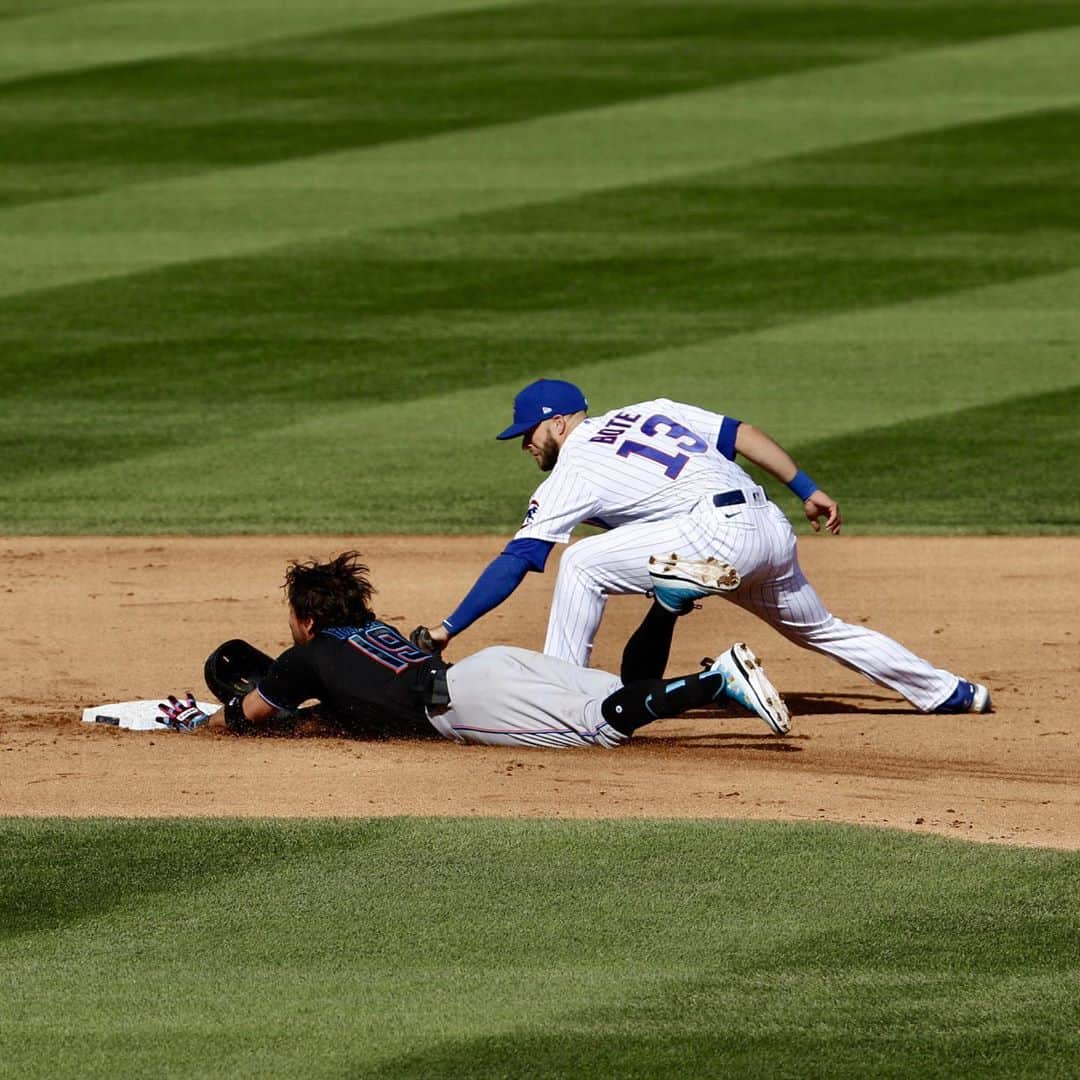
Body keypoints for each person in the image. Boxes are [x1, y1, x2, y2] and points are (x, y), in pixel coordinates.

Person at [414, 379, 990, 715]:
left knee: (582, 563)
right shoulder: (653, 411)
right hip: (767, 525)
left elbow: (517, 559)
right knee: (822, 628)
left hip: (710, 536)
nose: (525, 447)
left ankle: (568, 701)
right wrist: (808, 490)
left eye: (529, 435)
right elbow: (740, 435)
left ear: (559, 423)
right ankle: (953, 693)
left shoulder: (574, 468)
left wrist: (446, 629)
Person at [158, 551, 792, 747]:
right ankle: (667, 605)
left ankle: (715, 683)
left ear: (302, 618)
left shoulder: (305, 657)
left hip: (461, 703)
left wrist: (202, 721)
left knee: (602, 728)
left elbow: (250, 716)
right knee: (619, 697)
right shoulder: (372, 634)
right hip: (491, 665)